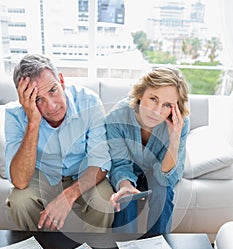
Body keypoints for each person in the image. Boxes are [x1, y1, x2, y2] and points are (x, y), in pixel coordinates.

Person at [5, 53, 114, 232]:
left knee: (104, 200)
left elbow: (100, 162)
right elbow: (20, 181)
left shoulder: (89, 102)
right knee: (20, 200)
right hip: (43, 177)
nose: (52, 106)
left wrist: (68, 195)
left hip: (83, 173)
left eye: (53, 91)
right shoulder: (15, 116)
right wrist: (33, 121)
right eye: (38, 99)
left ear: (61, 81)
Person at [105, 66, 189, 235]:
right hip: (130, 170)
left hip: (159, 170)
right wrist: (125, 185)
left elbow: (167, 178)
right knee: (126, 197)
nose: (156, 111)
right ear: (140, 93)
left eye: (167, 105)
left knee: (163, 191)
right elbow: (120, 163)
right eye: (153, 99)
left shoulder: (181, 124)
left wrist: (174, 139)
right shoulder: (117, 117)